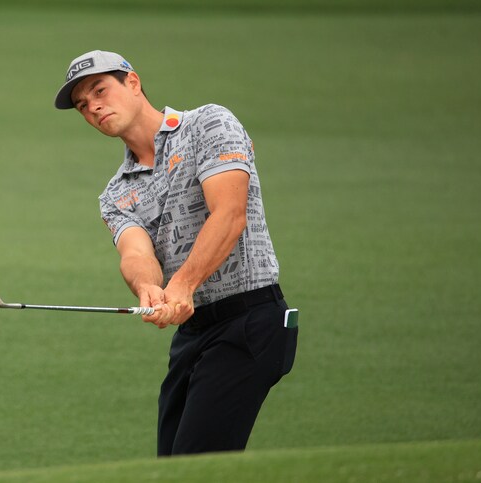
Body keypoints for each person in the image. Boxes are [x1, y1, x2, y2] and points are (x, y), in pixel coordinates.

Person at [54, 50, 298, 456]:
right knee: (171, 465)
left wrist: (182, 284)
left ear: (133, 82)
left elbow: (230, 215)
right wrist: (148, 288)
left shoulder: (209, 123)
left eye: (100, 90)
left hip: (250, 320)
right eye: (82, 105)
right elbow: (135, 253)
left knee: (195, 465)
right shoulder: (115, 195)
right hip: (193, 333)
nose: (93, 106)